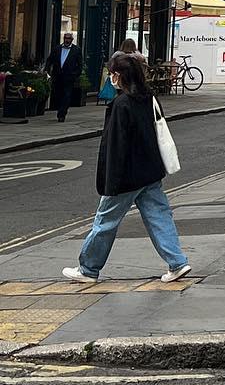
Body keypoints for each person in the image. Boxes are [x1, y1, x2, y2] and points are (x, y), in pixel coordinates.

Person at [62, 50, 192, 285]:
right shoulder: (148, 97)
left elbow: (117, 146)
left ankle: (88, 269)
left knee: (105, 222)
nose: (110, 78)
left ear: (119, 75)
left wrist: (111, 181)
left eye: (112, 73)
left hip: (127, 177)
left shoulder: (122, 104)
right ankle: (178, 262)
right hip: (150, 172)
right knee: (159, 216)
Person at [45, 33, 82, 123]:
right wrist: (47, 71)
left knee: (67, 95)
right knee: (58, 94)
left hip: (69, 77)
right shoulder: (57, 49)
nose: (67, 40)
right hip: (57, 76)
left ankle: (62, 114)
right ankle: (59, 109)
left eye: (69, 38)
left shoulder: (76, 50)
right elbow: (50, 60)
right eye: (65, 38)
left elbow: (80, 64)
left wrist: (75, 74)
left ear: (72, 40)